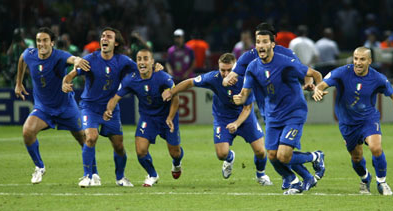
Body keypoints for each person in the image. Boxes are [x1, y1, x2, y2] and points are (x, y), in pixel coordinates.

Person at [223, 22, 318, 190]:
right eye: (257, 40)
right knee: (274, 155)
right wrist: (229, 81)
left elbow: (306, 72)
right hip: (269, 108)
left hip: (290, 107)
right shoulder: (249, 58)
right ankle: (295, 178)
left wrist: (309, 83)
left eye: (264, 40)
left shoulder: (285, 55)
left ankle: (312, 160)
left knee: (283, 153)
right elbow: (231, 77)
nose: (260, 45)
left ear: (273, 42)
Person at [312, 47, 393, 195]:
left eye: (362, 59)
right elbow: (323, 84)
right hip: (348, 123)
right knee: (356, 157)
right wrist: (317, 89)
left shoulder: (378, 78)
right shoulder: (342, 72)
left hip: (368, 119)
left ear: (370, 61)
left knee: (376, 148)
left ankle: (382, 182)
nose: (358, 62)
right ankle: (365, 178)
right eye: (355, 59)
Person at [162, 53, 272, 185]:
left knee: (260, 151)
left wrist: (236, 124)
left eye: (229, 70)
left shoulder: (246, 79)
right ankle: (230, 158)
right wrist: (172, 92)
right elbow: (190, 82)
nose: (225, 74)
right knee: (221, 154)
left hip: (245, 117)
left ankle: (261, 175)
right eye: (223, 70)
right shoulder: (213, 78)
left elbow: (247, 108)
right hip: (223, 118)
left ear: (236, 68)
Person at [14, 27, 90, 184]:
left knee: (84, 140)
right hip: (43, 108)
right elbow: (22, 59)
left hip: (66, 107)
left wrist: (77, 61)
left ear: (52, 43)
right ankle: (39, 167)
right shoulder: (30, 54)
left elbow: (72, 59)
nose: (41, 44)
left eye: (45, 40)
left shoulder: (59, 56)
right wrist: (19, 83)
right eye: (39, 41)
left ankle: (91, 174)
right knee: (27, 131)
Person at [63, 27, 135, 187]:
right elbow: (73, 73)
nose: (104, 39)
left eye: (109, 37)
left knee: (119, 145)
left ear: (116, 43)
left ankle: (120, 178)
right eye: (103, 36)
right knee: (91, 137)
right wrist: (66, 80)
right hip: (90, 107)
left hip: (110, 109)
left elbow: (142, 71)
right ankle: (88, 176)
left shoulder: (122, 61)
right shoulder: (91, 59)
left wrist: (155, 70)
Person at [104, 48, 183, 187]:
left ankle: (177, 164)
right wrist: (109, 110)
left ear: (152, 61)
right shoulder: (131, 80)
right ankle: (153, 175)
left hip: (167, 118)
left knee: (175, 153)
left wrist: (170, 117)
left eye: (145, 58)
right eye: (139, 59)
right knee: (140, 151)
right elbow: (115, 97)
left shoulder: (163, 77)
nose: (142, 62)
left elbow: (176, 99)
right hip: (148, 118)